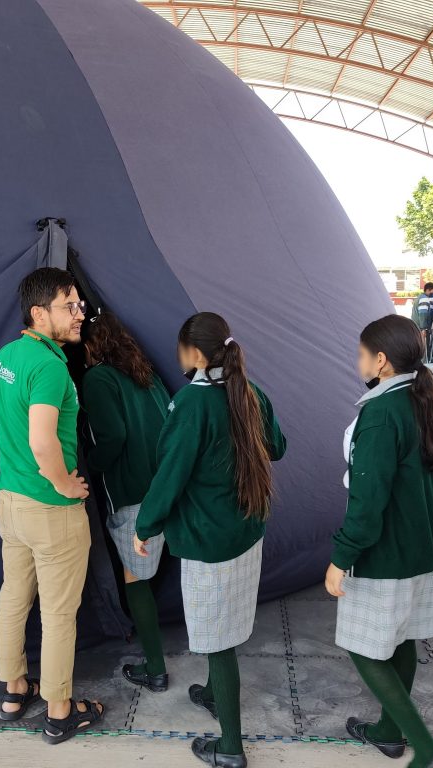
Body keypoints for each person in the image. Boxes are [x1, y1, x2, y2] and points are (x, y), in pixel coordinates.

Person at [134, 312, 286, 768]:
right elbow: (277, 447)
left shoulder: (192, 403)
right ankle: (214, 693)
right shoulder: (250, 391)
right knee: (228, 623)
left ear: (196, 354)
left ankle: (232, 748)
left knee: (219, 641)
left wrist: (146, 525)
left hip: (208, 541)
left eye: (181, 348)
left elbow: (171, 473)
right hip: (246, 531)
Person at [0, 267, 104, 744]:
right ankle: (60, 712)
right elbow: (43, 441)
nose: (79, 315)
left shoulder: (8, 356)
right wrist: (67, 485)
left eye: (79, 306)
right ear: (38, 313)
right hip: (50, 511)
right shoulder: (49, 366)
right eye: (69, 306)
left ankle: (13, 691)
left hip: (11, 505)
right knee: (58, 614)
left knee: (13, 597)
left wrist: (8, 395)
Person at [325, 313, 433, 768]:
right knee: (401, 639)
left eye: (361, 354)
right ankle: (388, 731)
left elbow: (367, 500)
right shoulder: (427, 399)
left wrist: (341, 557)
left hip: (386, 553)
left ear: (380, 361)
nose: (357, 361)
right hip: (425, 549)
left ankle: (426, 750)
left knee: (362, 647)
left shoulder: (381, 413)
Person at [80, 312, 171, 693]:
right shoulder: (146, 374)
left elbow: (112, 435)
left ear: (91, 347)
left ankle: (155, 669)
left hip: (132, 495)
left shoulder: (98, 377)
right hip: (165, 489)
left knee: (135, 579)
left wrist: (88, 468)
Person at [411, 282, 433, 362]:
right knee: (425, 349)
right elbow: (423, 314)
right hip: (422, 328)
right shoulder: (424, 299)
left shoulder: (419, 297)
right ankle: (425, 366)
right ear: (428, 290)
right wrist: (423, 328)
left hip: (416, 326)